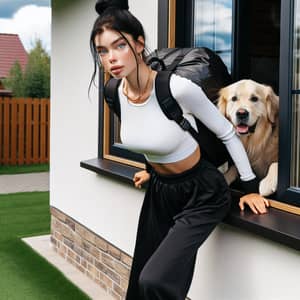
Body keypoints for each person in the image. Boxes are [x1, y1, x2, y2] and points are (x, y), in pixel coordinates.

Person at [89, 1, 269, 299]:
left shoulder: (177, 89)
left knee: (155, 281)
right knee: (138, 284)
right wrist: (152, 170)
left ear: (139, 44)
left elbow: (226, 132)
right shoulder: (114, 93)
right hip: (161, 191)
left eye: (119, 46)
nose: (111, 58)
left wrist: (250, 187)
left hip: (203, 193)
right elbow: (148, 135)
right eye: (103, 51)